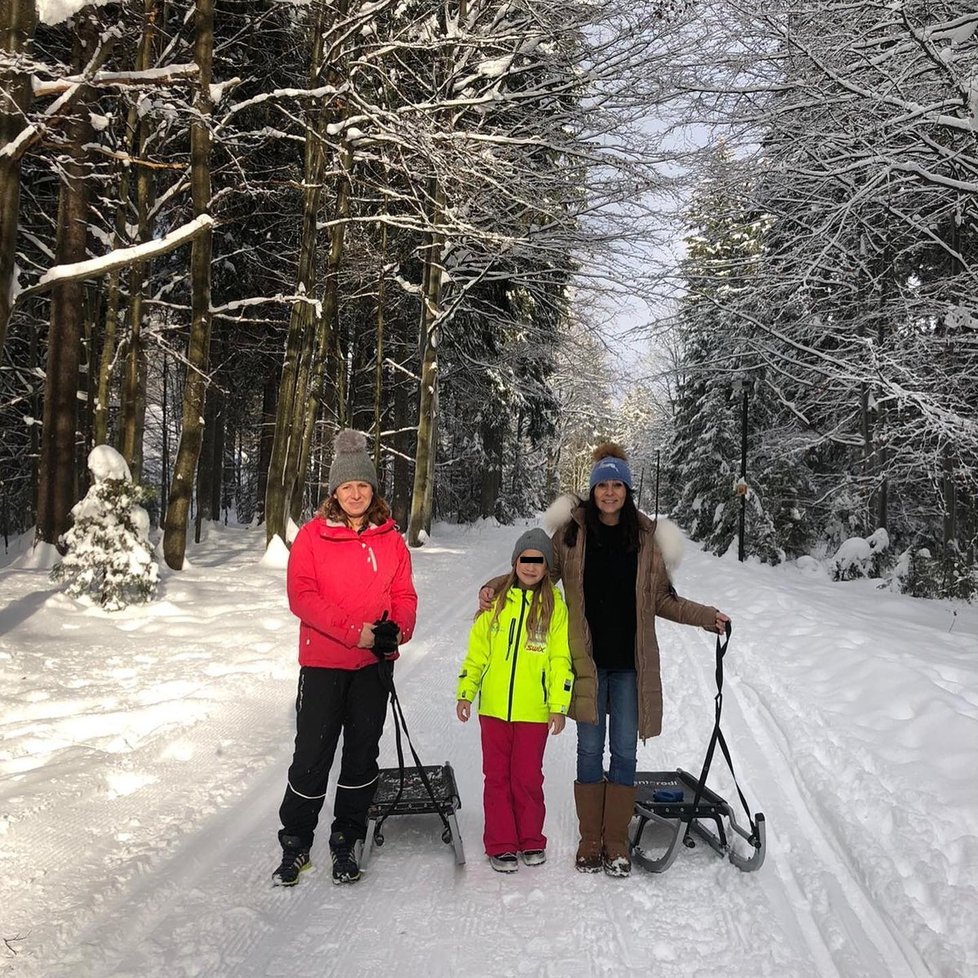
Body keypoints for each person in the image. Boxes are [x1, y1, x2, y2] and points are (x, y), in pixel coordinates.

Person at [479, 443, 730, 878]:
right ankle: (589, 839)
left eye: (617, 485)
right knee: (590, 749)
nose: (609, 493)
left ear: (627, 490)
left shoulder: (647, 538)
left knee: (625, 751)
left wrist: (708, 617)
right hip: (587, 662)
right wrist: (497, 586)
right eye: (602, 485)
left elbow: (664, 600)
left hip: (631, 665)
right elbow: (537, 573)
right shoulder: (572, 535)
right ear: (592, 490)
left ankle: (615, 842)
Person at [272, 429, 417, 886]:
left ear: (373, 490)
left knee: (360, 757)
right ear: (334, 491)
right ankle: (296, 842)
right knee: (311, 756)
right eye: (347, 487)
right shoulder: (313, 537)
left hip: (371, 669)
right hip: (322, 667)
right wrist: (359, 633)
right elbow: (302, 597)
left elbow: (404, 595)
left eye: (363, 486)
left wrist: (397, 629)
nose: (355, 494)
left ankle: (346, 837)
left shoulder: (391, 539)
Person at [456, 528, 573, 873]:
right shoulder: (496, 604)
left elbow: (559, 659)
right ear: (515, 562)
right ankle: (502, 843)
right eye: (526, 560)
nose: (532, 567)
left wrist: (558, 705)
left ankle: (531, 839)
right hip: (493, 710)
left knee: (526, 777)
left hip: (533, 712)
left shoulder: (555, 608)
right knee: (496, 776)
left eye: (539, 562)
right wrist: (466, 692)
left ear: (547, 568)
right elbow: (476, 654)